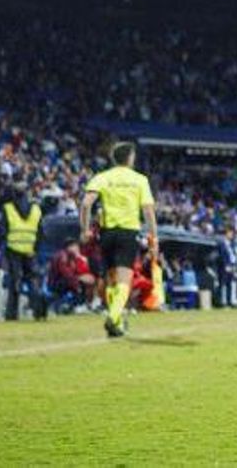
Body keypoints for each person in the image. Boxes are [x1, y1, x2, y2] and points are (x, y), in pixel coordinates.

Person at [79, 141, 158, 338]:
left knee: (111, 280)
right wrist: (153, 239)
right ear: (130, 158)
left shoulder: (103, 177)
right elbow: (148, 211)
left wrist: (85, 229)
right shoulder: (139, 180)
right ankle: (113, 317)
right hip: (127, 232)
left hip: (107, 233)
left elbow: (86, 204)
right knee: (124, 280)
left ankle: (116, 324)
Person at [0, 182, 47, 321]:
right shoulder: (36, 209)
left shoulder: (8, 208)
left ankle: (12, 314)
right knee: (33, 281)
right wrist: (35, 249)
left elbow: (3, 231)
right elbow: (40, 233)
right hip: (30, 250)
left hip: (13, 250)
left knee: (15, 282)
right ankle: (39, 311)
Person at [48, 239, 97, 313]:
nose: (77, 248)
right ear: (68, 248)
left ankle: (80, 304)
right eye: (74, 246)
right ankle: (78, 305)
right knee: (81, 283)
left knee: (86, 280)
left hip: (66, 281)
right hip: (57, 283)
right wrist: (79, 279)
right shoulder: (63, 256)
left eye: (77, 246)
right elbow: (67, 274)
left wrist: (84, 276)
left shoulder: (72, 257)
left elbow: (77, 271)